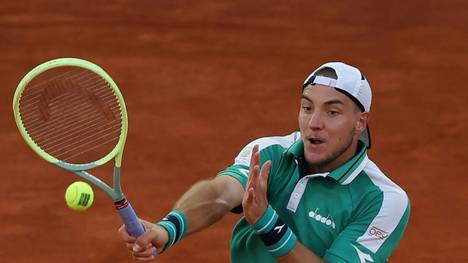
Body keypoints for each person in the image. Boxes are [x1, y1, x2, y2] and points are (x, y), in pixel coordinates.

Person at [119, 62, 410, 262]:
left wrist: (268, 224)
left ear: (360, 122)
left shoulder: (383, 199)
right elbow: (220, 193)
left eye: (332, 112)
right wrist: (168, 228)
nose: (314, 123)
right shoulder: (271, 152)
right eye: (307, 108)